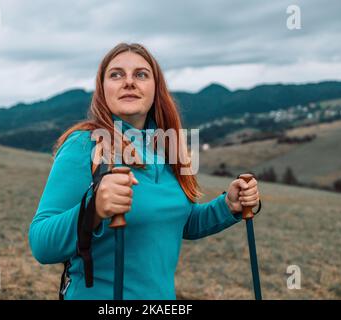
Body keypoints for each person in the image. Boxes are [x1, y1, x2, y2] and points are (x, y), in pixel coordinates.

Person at [29, 43, 261, 300]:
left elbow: (176, 222)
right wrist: (93, 208)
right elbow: (41, 244)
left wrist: (228, 206)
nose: (129, 82)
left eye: (141, 74)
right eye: (116, 74)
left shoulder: (166, 146)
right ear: (102, 89)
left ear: (156, 88)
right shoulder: (84, 145)